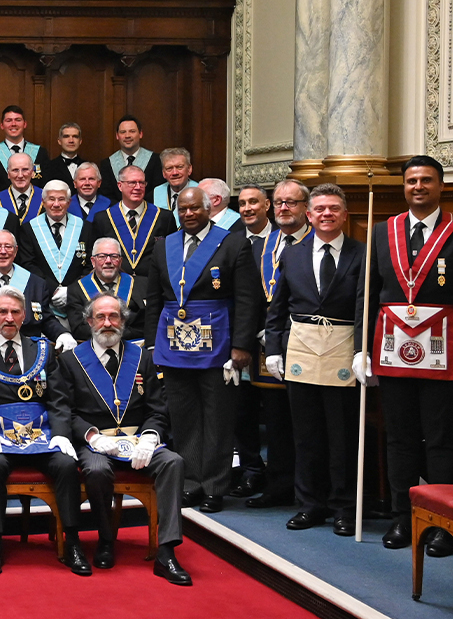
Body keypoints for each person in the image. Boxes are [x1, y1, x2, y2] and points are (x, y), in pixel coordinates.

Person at [366, 155, 453, 555]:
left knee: (441, 441)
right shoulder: (381, 232)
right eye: (411, 181)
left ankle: (443, 525)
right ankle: (403, 519)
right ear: (403, 187)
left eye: (425, 180)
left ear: (441, 186)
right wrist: (362, 350)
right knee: (401, 439)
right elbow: (368, 296)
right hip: (393, 353)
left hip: (446, 355)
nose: (417, 186)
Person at [52, 292, 190, 585]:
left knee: (174, 462)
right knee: (97, 469)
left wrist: (152, 436)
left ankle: (166, 552)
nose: (107, 323)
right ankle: (105, 539)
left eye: (114, 316)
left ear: (123, 321)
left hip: (139, 439)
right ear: (89, 321)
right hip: (96, 442)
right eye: (100, 317)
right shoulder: (70, 361)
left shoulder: (143, 358)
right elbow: (65, 410)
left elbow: (157, 408)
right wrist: (90, 435)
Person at [144, 186, 262, 513]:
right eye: (183, 209)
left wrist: (241, 345)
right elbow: (154, 300)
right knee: (183, 417)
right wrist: (153, 344)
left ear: (209, 209)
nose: (188, 215)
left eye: (195, 209)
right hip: (173, 344)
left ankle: (214, 487)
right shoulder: (163, 246)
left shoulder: (233, 243)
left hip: (219, 345)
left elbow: (247, 299)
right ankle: (191, 483)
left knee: (217, 418)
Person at [264, 184, 365, 536]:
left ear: (344, 214)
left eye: (333, 208)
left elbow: (365, 309)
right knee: (305, 435)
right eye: (320, 208)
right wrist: (273, 349)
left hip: (343, 350)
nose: (326, 214)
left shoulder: (361, 254)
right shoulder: (292, 254)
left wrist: (363, 352)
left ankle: (343, 508)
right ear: (309, 214)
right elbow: (278, 308)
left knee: (341, 436)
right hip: (301, 350)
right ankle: (310, 505)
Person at [0, 287, 90, 576]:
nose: (9, 318)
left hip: (42, 434)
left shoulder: (44, 349)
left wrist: (61, 432)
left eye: (15, 312)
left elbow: (58, 398)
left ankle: (72, 541)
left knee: (65, 464)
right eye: (3, 312)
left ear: (24, 316)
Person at [236, 180, 309, 507]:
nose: (283, 209)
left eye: (289, 203)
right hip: (269, 343)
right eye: (279, 202)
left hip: (310, 341)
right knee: (276, 417)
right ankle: (279, 485)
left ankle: (310, 490)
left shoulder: (315, 241)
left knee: (306, 419)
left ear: (304, 207)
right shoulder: (267, 243)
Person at [0, 229, 66, 345]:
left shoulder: (36, 283)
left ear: (16, 251)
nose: (3, 251)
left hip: (27, 350)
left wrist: (62, 334)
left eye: (8, 247)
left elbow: (45, 319)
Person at [89, 164, 175, 278]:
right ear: (120, 186)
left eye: (142, 183)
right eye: (132, 183)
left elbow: (172, 254)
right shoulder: (103, 218)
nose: (138, 187)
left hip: (152, 284)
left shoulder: (164, 217)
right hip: (116, 284)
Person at [18, 179, 90, 312]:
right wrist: (54, 289)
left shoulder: (85, 228)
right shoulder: (29, 229)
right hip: (42, 299)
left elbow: (91, 264)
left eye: (61, 199)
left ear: (69, 203)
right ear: (43, 202)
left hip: (78, 302)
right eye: (51, 199)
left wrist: (72, 291)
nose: (56, 204)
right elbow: (28, 264)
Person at [65, 238, 152, 346]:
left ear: (120, 261)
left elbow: (149, 323)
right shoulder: (76, 289)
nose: (108, 261)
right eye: (102, 256)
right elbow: (79, 330)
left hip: (137, 347)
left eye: (114, 256)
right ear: (93, 261)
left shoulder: (142, 284)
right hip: (95, 349)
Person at [98, 115, 163, 203]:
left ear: (140, 134)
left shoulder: (156, 160)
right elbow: (106, 195)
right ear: (117, 136)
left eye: (132, 131)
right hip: (117, 213)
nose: (127, 136)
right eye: (123, 132)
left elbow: (157, 191)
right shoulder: (107, 164)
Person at [0, 105, 50, 188]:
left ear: (25, 124)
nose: (13, 124)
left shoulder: (40, 153)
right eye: (9, 120)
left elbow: (45, 184)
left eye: (18, 120)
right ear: (2, 125)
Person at [0, 152, 44, 226]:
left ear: (32, 172)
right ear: (8, 173)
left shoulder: (45, 198)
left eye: (25, 170)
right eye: (15, 170)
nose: (20, 175)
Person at [40, 121, 86, 187]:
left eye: (75, 136)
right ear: (59, 141)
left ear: (80, 141)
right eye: (66, 136)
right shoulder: (48, 167)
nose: (71, 141)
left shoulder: (89, 167)